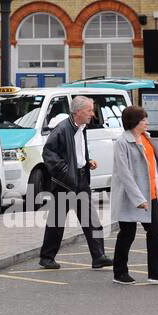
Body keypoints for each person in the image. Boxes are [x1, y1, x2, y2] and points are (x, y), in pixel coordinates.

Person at [38, 95, 110, 271]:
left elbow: (76, 151)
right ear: (78, 112)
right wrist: (65, 172)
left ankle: (98, 257)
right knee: (56, 222)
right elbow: (48, 154)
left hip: (81, 179)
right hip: (65, 183)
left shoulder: (82, 127)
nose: (92, 114)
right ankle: (47, 258)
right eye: (89, 110)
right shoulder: (62, 129)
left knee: (91, 219)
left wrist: (87, 160)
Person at [111, 106, 158, 284]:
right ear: (134, 122)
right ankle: (120, 272)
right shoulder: (122, 143)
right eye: (143, 120)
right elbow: (124, 174)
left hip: (150, 194)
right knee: (127, 234)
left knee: (156, 231)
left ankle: (156, 273)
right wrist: (138, 199)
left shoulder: (146, 138)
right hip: (131, 197)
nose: (147, 122)